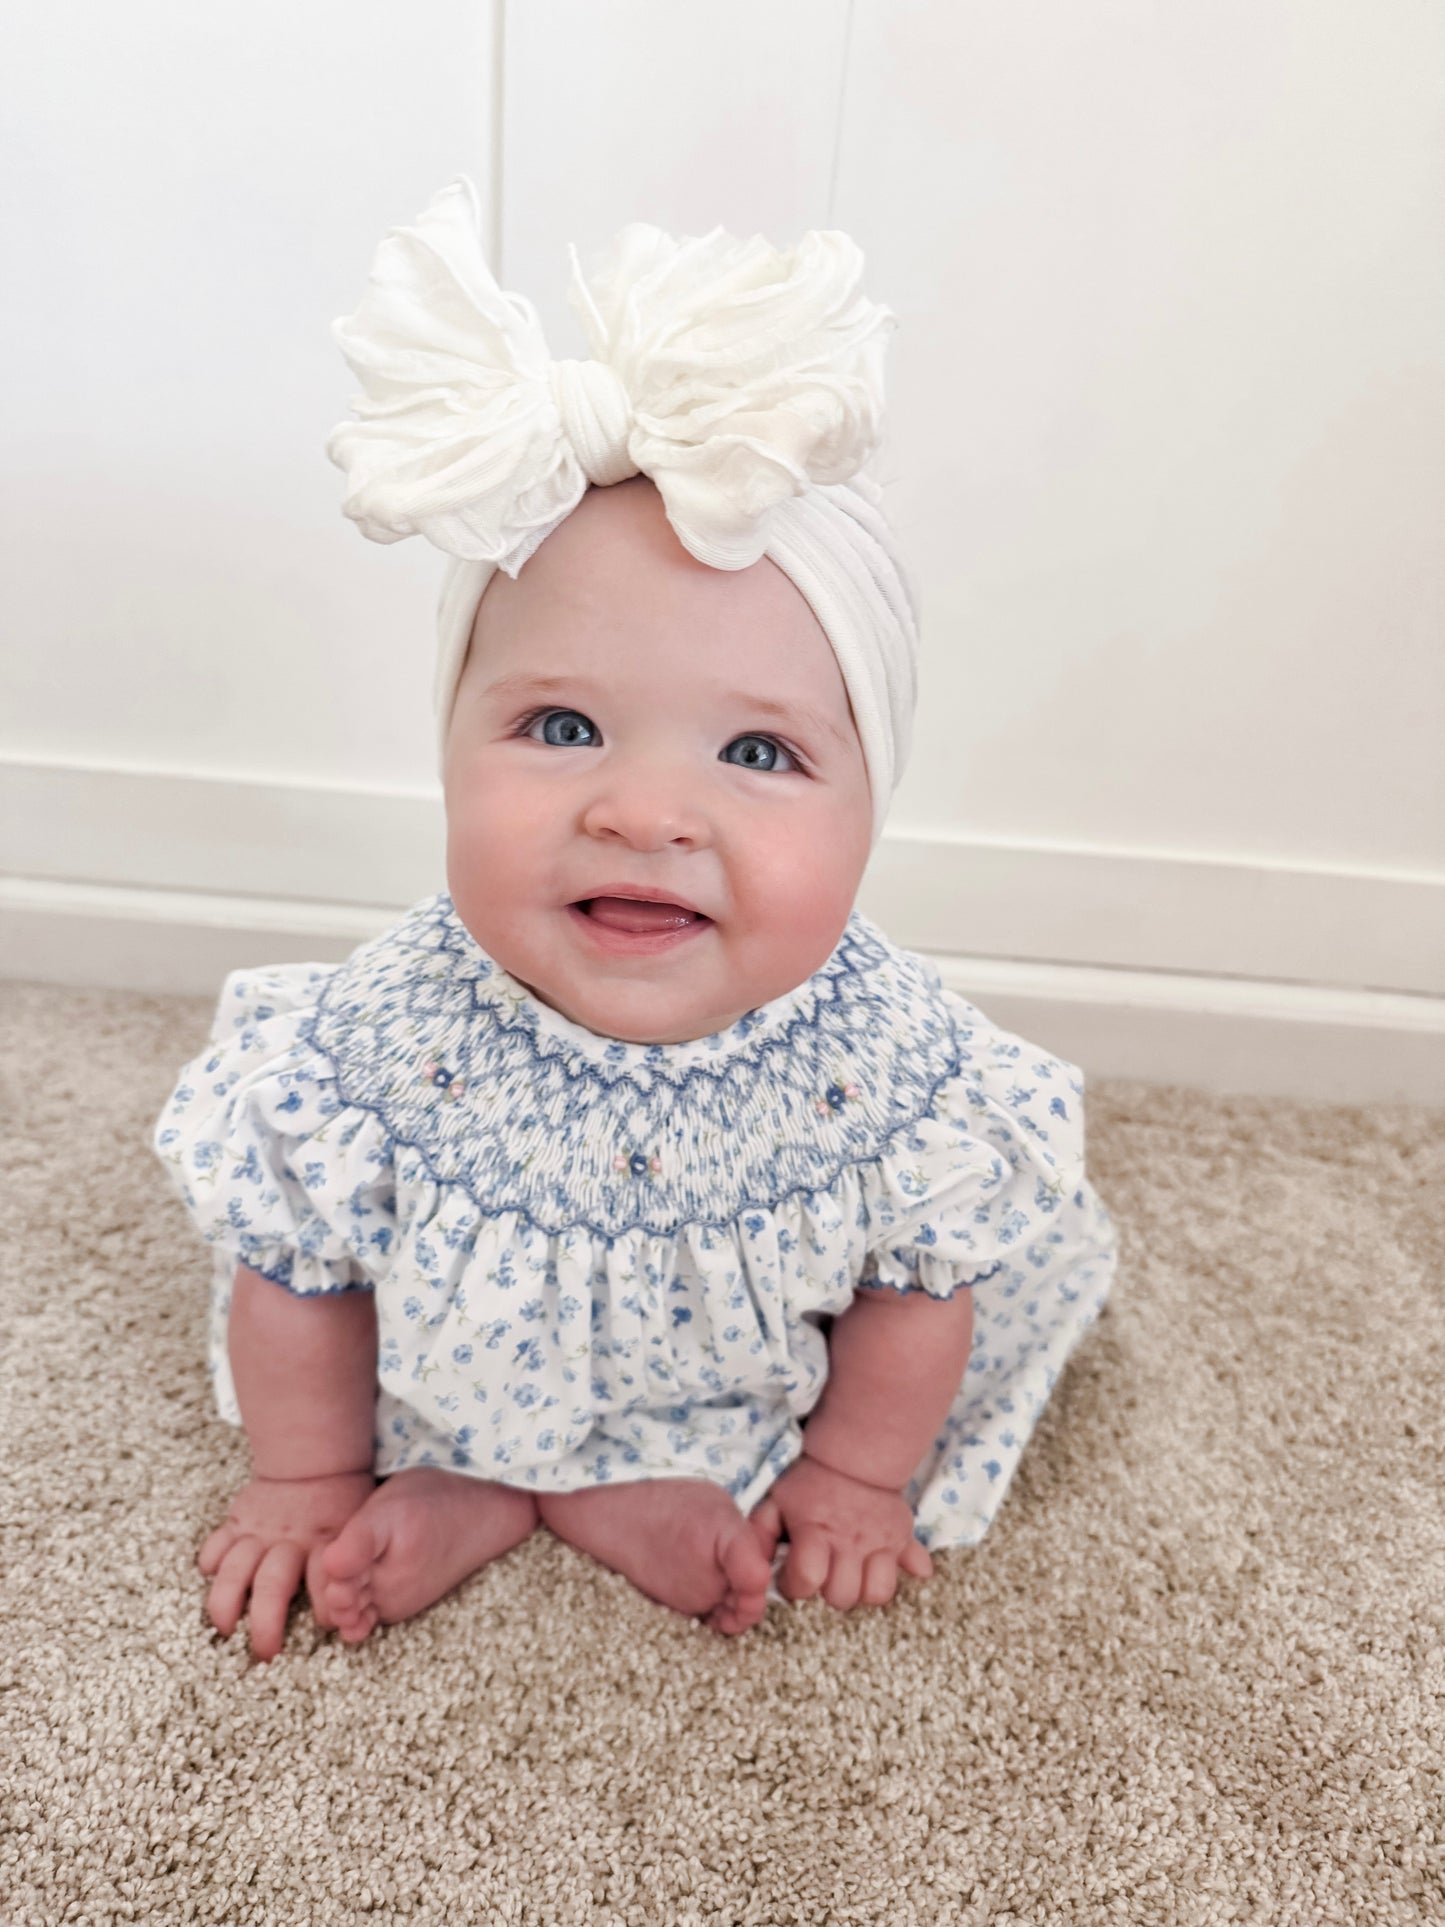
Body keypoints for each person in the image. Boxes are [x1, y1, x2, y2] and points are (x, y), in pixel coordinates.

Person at [154, 180, 1117, 1661]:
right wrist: (306, 1476)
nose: (647, 816)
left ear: (873, 801)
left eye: (755, 756)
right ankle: (471, 1474)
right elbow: (306, 1274)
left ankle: (643, 1479)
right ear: (449, 742)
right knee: (331, 1322)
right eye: (557, 727)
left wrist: (854, 1475)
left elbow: (912, 1297)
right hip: (449, 1358)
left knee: (918, 1310)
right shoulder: (377, 1040)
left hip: (736, 1372)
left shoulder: (895, 1068)